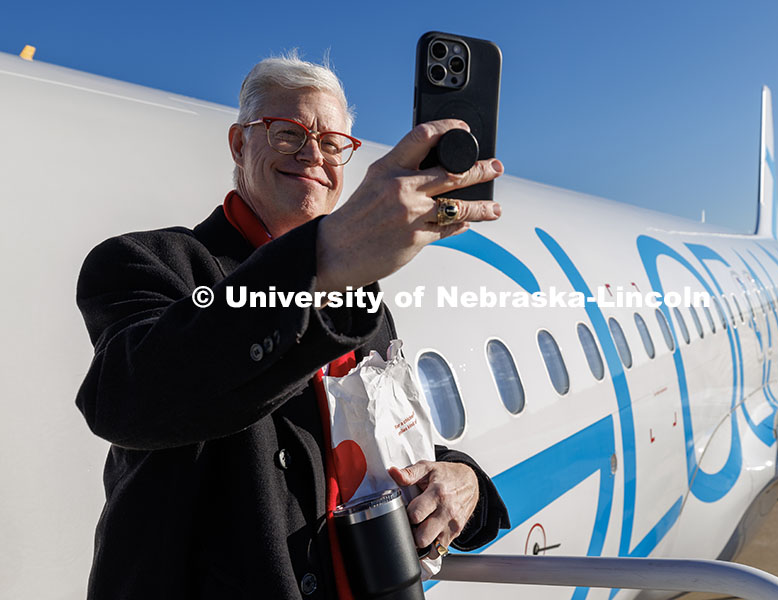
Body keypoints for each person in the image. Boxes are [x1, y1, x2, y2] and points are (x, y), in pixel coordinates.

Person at [75, 53, 509, 600]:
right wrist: (322, 259)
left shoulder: (355, 295)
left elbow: (366, 434)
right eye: (288, 133)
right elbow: (129, 401)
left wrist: (463, 481)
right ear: (239, 144)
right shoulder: (150, 262)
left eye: (332, 145)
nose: (313, 155)